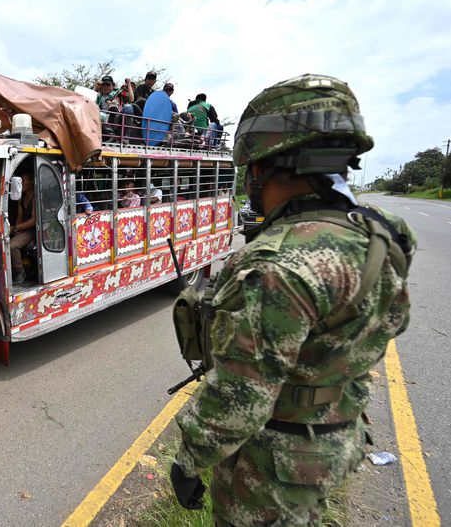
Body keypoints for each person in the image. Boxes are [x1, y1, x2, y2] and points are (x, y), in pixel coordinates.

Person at [169, 74, 416, 526]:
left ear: (261, 166)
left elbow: (240, 396)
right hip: (337, 437)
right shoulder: (385, 234)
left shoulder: (273, 266)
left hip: (274, 467)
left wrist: (188, 459)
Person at [9, 172, 36, 285]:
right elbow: (20, 217)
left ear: (31, 182)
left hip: (34, 230)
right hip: (25, 229)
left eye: (23, 181)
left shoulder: (34, 197)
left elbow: (33, 221)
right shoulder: (22, 198)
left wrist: (15, 227)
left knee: (12, 245)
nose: (21, 183)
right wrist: (15, 230)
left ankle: (20, 272)